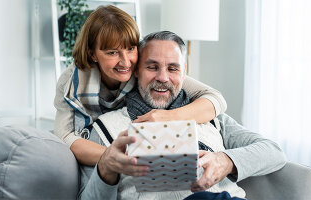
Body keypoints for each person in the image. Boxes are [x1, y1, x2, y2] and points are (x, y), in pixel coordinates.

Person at [77, 31, 286, 199]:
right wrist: (105, 168)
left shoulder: (211, 118)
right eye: (152, 67)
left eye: (173, 68)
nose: (163, 77)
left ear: (184, 72)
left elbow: (274, 152)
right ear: (137, 71)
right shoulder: (106, 128)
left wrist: (227, 160)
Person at [53, 5, 227, 166]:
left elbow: (215, 98)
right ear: (93, 54)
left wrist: (169, 117)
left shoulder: (145, 68)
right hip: (105, 144)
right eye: (112, 52)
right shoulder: (71, 83)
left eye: (130, 48)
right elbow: (65, 137)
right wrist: (120, 157)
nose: (125, 62)